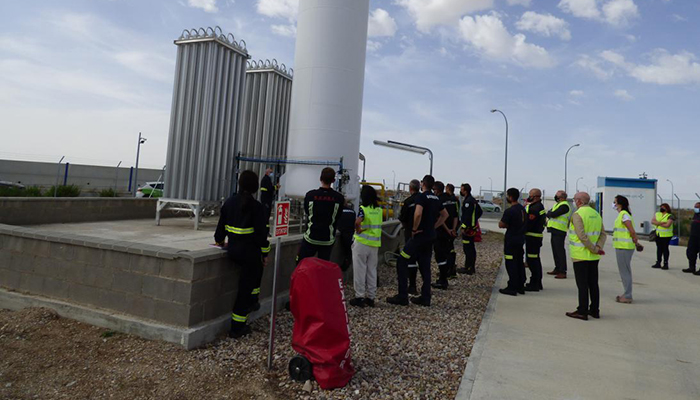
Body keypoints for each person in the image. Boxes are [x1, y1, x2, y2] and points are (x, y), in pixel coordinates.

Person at [214, 170, 270, 338]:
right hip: (250, 255)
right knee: (245, 290)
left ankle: (253, 301)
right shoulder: (257, 208)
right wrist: (265, 254)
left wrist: (220, 242)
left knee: (251, 279)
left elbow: (219, 233)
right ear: (255, 187)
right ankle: (237, 327)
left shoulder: (229, 203)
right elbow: (261, 236)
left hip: (233, 252)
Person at [387, 175, 448, 307]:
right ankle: (425, 297)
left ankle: (402, 296)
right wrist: (434, 227)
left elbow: (418, 213)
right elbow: (445, 215)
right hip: (430, 236)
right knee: (425, 266)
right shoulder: (436, 198)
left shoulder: (421, 197)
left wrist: (414, 229)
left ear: (423, 184)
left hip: (419, 236)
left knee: (402, 260)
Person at [566, 192, 607, 321]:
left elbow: (581, 236)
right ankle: (595, 310)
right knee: (593, 284)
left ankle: (582, 311)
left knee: (582, 284)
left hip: (580, 254)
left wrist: (594, 249)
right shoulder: (596, 214)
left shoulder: (578, 214)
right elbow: (603, 234)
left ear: (579, 201)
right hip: (593, 257)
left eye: (575, 200)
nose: (574, 202)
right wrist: (598, 247)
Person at [297, 167, 345, 263]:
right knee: (323, 266)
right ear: (333, 180)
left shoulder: (310, 195)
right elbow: (338, 216)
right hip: (327, 239)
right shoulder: (339, 198)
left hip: (311, 237)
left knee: (301, 263)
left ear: (320, 179)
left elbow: (307, 212)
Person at [350, 185, 383, 308]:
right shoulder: (379, 210)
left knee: (360, 270)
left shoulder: (363, 209)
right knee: (371, 270)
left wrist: (358, 230)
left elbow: (357, 222)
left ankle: (359, 297)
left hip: (362, 243)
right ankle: (371, 297)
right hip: (374, 244)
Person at [498, 188, 526, 296]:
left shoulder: (510, 211)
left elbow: (501, 224)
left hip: (511, 240)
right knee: (519, 262)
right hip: (520, 239)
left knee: (511, 263)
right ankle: (520, 285)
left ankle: (512, 287)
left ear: (510, 197)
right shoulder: (522, 210)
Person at [612, 195, 639, 304]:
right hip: (622, 246)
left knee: (625, 271)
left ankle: (627, 295)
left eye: (615, 202)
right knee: (625, 271)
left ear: (620, 204)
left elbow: (631, 230)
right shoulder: (622, 215)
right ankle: (626, 294)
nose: (613, 204)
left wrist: (636, 241)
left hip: (624, 247)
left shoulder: (624, 215)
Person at [398, 179, 421, 295]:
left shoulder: (408, 202)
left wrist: (410, 229)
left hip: (411, 234)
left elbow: (402, 218)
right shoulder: (424, 200)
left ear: (410, 188)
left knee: (409, 259)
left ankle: (412, 286)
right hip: (424, 234)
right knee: (423, 260)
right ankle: (425, 288)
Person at [432, 181, 456, 290]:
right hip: (450, 232)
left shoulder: (438, 200)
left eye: (434, 189)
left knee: (440, 255)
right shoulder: (452, 200)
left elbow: (441, 218)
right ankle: (448, 274)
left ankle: (443, 280)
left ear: (437, 190)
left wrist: (447, 230)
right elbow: (455, 216)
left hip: (442, 232)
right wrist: (453, 229)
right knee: (448, 253)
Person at [524, 188, 546, 292]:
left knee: (532, 261)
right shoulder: (538, 206)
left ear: (535, 197)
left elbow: (529, 222)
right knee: (535, 260)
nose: (529, 197)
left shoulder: (535, 208)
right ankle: (537, 282)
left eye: (530, 195)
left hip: (533, 237)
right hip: (535, 237)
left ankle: (535, 284)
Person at [546, 190, 571, 279]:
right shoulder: (557, 204)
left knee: (560, 251)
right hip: (554, 230)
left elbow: (553, 214)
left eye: (557, 195)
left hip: (559, 230)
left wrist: (550, 214)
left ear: (561, 197)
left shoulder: (564, 206)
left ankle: (562, 271)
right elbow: (549, 213)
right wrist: (550, 213)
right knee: (555, 251)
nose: (555, 197)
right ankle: (557, 268)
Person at [458, 183, 482, 275]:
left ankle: (469, 267)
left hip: (468, 229)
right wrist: (474, 220)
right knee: (470, 248)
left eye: (462, 189)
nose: (460, 191)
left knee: (468, 249)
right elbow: (479, 212)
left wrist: (464, 227)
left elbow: (467, 216)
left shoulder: (468, 202)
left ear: (465, 191)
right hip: (472, 228)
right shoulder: (473, 200)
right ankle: (470, 266)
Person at [651, 203, 674, 270]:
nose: (661, 208)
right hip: (658, 234)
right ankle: (658, 262)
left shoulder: (670, 216)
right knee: (659, 249)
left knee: (665, 249)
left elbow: (667, 225)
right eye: (661, 207)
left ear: (666, 208)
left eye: (663, 207)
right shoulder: (657, 214)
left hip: (666, 235)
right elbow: (652, 221)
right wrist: (661, 223)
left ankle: (665, 263)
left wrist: (657, 223)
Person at [445, 183, 460, 279]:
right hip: (453, 226)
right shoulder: (455, 200)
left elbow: (456, 214)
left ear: (448, 189)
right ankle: (451, 268)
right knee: (450, 247)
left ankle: (450, 269)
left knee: (448, 248)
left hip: (450, 226)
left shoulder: (452, 200)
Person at [337, 200, 357, 272]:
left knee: (347, 251)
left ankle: (345, 266)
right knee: (349, 251)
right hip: (352, 233)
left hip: (344, 233)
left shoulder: (338, 211)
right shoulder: (352, 211)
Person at [683, 202, 700, 275]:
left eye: (697, 207)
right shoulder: (695, 215)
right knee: (690, 252)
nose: (696, 208)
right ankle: (691, 267)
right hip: (693, 236)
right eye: (695, 207)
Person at [260, 167, 276, 234]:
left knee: (265, 216)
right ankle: (265, 231)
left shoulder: (265, 179)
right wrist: (276, 187)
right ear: (267, 172)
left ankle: (265, 231)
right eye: (271, 172)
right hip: (266, 201)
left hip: (265, 200)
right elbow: (270, 189)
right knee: (266, 216)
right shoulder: (267, 179)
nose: (272, 174)